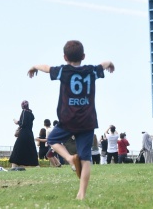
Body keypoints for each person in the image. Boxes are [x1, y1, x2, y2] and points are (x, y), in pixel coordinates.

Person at [28, 39, 115, 200]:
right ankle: (81, 194)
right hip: (88, 120)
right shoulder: (91, 70)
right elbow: (104, 64)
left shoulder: (63, 71)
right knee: (86, 158)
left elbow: (47, 68)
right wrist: (110, 64)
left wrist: (34, 67)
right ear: (83, 56)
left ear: (64, 58)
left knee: (52, 139)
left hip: (68, 119)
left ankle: (69, 158)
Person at [9, 100, 39, 169]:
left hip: (23, 134)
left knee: (17, 149)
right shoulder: (30, 113)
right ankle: (35, 165)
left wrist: (16, 122)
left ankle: (14, 166)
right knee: (30, 149)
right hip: (30, 134)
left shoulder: (24, 112)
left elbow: (22, 123)